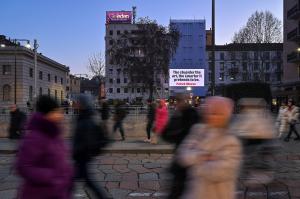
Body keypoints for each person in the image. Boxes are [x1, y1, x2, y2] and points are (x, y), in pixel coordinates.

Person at [176, 96, 242, 199]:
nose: (212, 116)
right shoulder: (198, 130)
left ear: (225, 115)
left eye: (217, 113)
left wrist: (195, 162)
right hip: (194, 193)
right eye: (210, 112)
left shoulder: (230, 140)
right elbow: (183, 155)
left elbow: (219, 172)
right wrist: (206, 157)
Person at [15, 95, 73, 199]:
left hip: (57, 192)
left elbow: (60, 159)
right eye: (56, 112)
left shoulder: (54, 133)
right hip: (39, 193)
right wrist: (52, 176)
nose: (60, 115)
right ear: (47, 114)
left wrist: (67, 174)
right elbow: (23, 167)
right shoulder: (34, 137)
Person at [161, 94, 200, 199]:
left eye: (178, 101)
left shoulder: (192, 114)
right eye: (176, 102)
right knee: (177, 187)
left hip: (191, 156)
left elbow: (192, 133)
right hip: (180, 155)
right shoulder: (177, 115)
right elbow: (166, 134)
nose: (177, 104)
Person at [72, 95, 109, 199]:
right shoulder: (83, 116)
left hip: (82, 157)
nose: (76, 104)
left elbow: (86, 141)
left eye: (78, 102)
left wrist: (76, 151)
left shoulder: (86, 119)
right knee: (87, 182)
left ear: (83, 104)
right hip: (82, 157)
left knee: (72, 182)